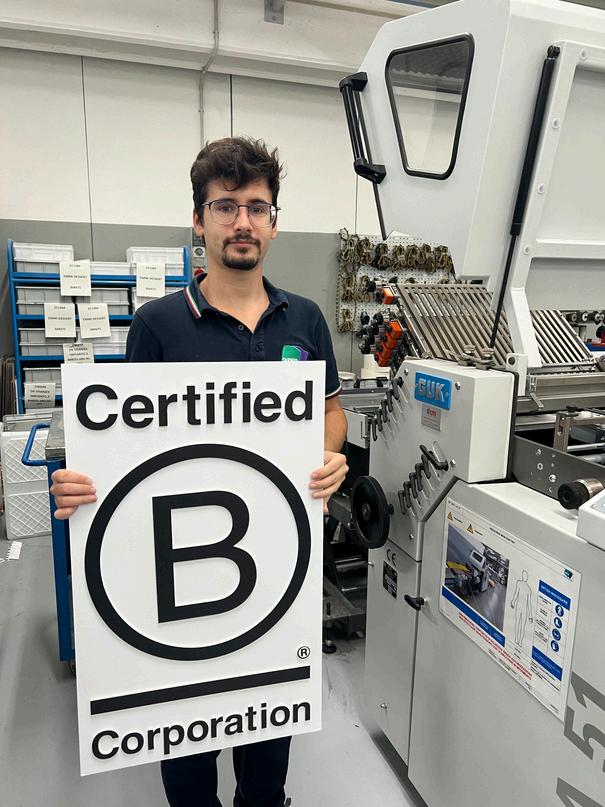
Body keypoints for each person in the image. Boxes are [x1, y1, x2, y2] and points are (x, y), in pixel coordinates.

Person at [50, 136, 349, 807]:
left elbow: (331, 412)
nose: (242, 222)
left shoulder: (304, 318)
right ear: (198, 220)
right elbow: (125, 447)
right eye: (225, 206)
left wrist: (332, 454)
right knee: (185, 747)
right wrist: (83, 482)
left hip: (276, 563)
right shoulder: (158, 324)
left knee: (268, 740)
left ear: (273, 222)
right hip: (180, 574)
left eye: (257, 207)